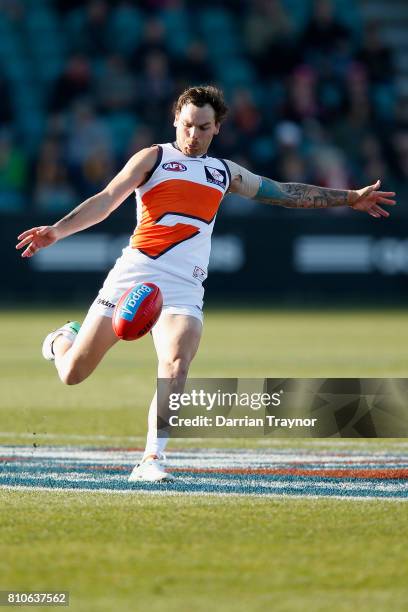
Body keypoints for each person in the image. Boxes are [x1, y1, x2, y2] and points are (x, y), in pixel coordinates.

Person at [16, 85, 396, 481]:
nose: (193, 135)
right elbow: (107, 197)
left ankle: (151, 459)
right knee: (73, 372)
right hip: (134, 274)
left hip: (183, 286)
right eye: (187, 125)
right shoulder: (154, 157)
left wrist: (349, 196)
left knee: (176, 364)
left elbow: (284, 193)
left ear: (217, 128)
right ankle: (62, 338)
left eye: (202, 127)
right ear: (175, 122)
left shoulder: (223, 172)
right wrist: (57, 231)